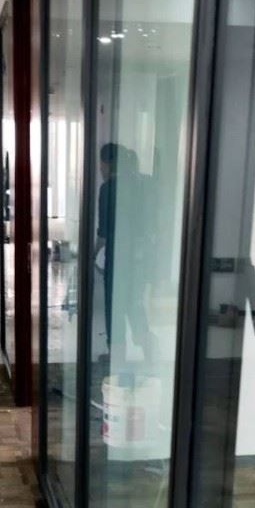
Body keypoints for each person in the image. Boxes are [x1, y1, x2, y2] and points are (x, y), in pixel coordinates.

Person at [96, 143, 156, 361]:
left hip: (117, 257)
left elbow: (103, 233)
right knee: (133, 303)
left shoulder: (107, 189)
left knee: (114, 306)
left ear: (107, 164)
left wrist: (92, 256)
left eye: (101, 164)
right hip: (138, 257)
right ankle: (149, 347)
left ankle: (117, 355)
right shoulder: (139, 185)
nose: (100, 169)